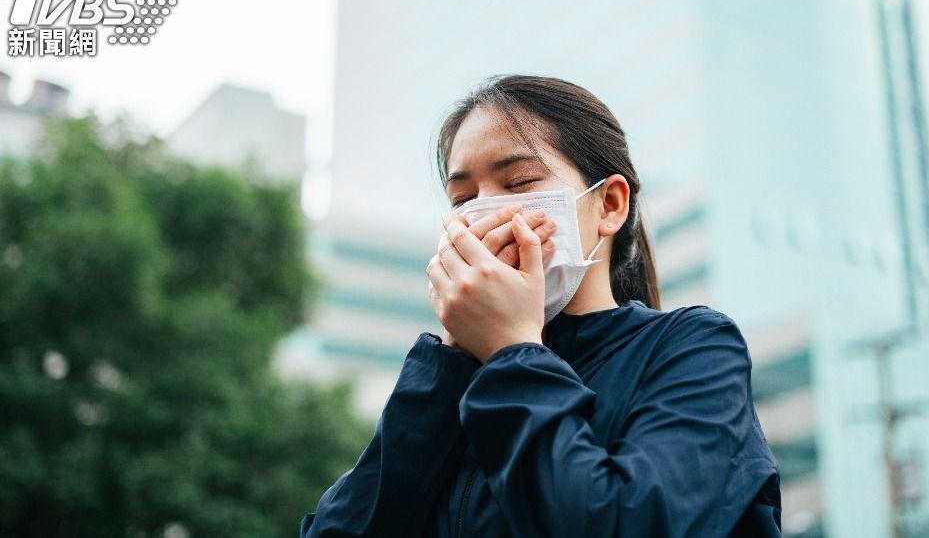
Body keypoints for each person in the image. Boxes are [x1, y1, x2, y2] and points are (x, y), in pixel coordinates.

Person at [300, 75, 781, 537]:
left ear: (610, 204)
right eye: (463, 198)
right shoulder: (458, 385)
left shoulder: (691, 348)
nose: (485, 215)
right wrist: (450, 360)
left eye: (519, 182)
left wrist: (513, 349)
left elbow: (621, 521)